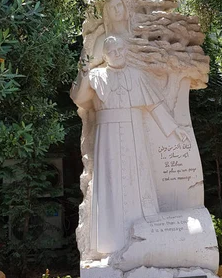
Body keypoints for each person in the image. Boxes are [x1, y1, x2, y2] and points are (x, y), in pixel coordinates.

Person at [71, 36, 188, 255]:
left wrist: (173, 128)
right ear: (104, 55)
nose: (117, 53)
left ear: (126, 50)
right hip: (107, 138)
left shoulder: (137, 75)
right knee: (111, 185)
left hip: (134, 136)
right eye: (111, 50)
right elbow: (80, 98)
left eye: (120, 49)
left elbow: (154, 106)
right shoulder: (97, 76)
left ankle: (144, 241)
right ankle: (111, 244)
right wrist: (84, 73)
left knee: (137, 181)